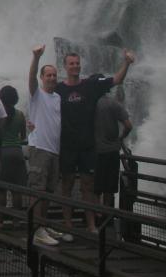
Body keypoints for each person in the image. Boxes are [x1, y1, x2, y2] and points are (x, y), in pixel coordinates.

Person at [56, 49, 136, 234]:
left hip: (87, 146)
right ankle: (67, 225)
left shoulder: (90, 85)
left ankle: (91, 225)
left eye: (77, 63)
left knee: (88, 188)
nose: (75, 66)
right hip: (67, 145)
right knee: (66, 185)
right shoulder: (59, 89)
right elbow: (40, 96)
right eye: (71, 63)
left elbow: (116, 80)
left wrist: (127, 63)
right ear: (65, 66)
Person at [28, 45, 62, 247]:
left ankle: (43, 224)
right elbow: (31, 79)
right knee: (36, 189)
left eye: (54, 75)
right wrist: (36, 57)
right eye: (48, 75)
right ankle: (35, 229)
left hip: (54, 150)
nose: (51, 78)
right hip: (39, 147)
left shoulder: (58, 97)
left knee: (48, 191)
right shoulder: (37, 95)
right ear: (42, 78)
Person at [93, 91, 133, 209]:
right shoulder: (114, 104)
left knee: (96, 186)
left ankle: (96, 212)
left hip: (96, 151)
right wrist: (121, 137)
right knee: (109, 187)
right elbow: (129, 126)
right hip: (112, 151)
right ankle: (107, 212)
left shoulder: (91, 103)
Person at [0, 85, 27, 223]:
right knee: (16, 190)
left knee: (1, 190)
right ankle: (16, 220)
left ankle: (0, 221)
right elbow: (23, 136)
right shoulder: (20, 115)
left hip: (2, 153)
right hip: (17, 152)